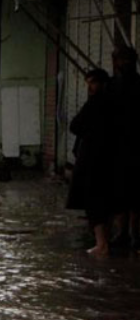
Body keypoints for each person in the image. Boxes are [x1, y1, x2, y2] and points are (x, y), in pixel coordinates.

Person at [68, 69, 117, 257]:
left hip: (93, 158)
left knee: (94, 200)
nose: (89, 87)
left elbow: (75, 125)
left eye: (93, 83)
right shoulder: (115, 101)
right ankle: (105, 241)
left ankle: (101, 244)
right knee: (106, 200)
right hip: (111, 157)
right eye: (88, 83)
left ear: (102, 83)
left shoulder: (96, 102)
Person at [109, 46, 140, 250]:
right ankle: (131, 234)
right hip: (128, 148)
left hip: (119, 148)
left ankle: (125, 234)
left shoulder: (112, 86)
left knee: (122, 193)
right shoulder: (116, 85)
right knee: (132, 194)